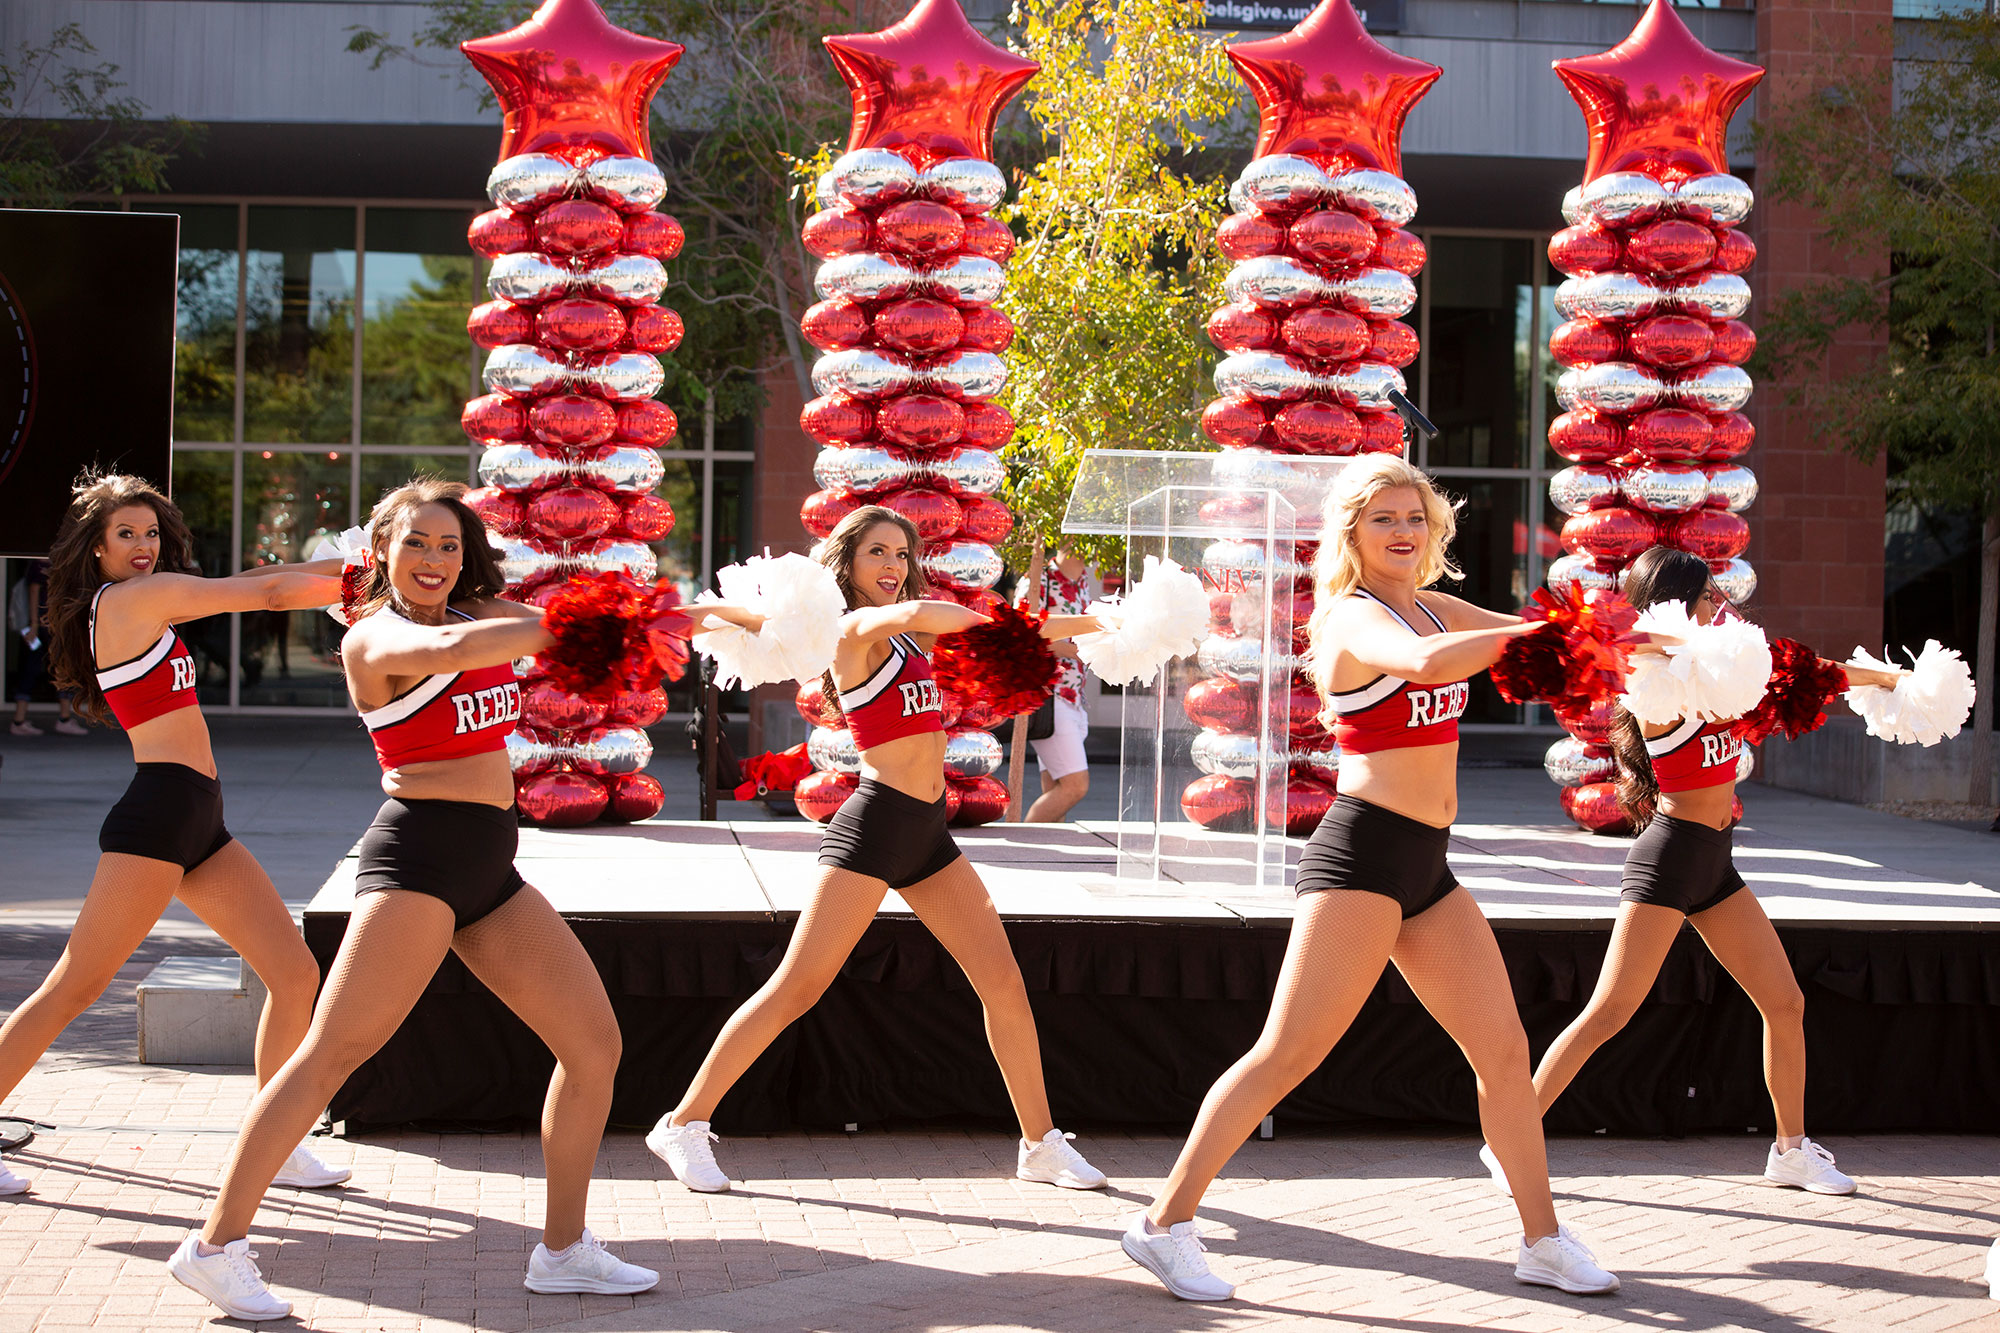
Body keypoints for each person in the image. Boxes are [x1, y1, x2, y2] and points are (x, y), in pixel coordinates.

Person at [1121, 454, 1620, 1302]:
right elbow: (1427, 666)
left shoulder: (1433, 605)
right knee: (1287, 1052)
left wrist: (1627, 637)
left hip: (1429, 866)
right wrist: (1545, 637)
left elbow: (1521, 634)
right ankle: (1163, 1224)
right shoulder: (1354, 618)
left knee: (1503, 1052)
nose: (1402, 531)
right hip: (1359, 857)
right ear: (1353, 531)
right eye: (1385, 517)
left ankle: (1541, 1238)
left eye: (1416, 518)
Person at [167, 478, 655, 1321]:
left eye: (449, 544)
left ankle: (563, 1250)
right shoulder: (376, 640)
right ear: (382, 553)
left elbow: (545, 624)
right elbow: (457, 659)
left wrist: (696, 619)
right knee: (330, 1054)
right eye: (417, 543)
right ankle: (212, 1246)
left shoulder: (474, 615)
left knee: (593, 1043)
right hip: (418, 859)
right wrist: (586, 623)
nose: (434, 559)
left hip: (489, 868)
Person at [647, 505, 1108, 1196]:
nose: (892, 565)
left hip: (926, 830)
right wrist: (977, 617)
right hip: (874, 825)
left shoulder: (910, 644)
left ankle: (1040, 1142)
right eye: (877, 553)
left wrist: (1114, 627)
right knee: (797, 986)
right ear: (849, 563)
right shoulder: (852, 631)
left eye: (901, 553)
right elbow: (916, 612)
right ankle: (683, 1122)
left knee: (1003, 982)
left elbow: (1029, 633)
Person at [1487, 545, 1902, 1201]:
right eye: (1708, 596)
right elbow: (1619, 633)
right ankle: (1511, 1134)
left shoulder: (1726, 677)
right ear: (1678, 604)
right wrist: (1665, 617)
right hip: (1670, 857)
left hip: (1716, 863)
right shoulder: (1654, 679)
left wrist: (1883, 681)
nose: (1722, 606)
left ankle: (1791, 1150)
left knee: (1785, 1001)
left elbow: (1811, 674)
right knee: (1610, 1010)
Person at [0, 474, 348, 1197]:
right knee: (76, 984)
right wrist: (371, 575)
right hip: (158, 816)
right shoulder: (129, 600)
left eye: (151, 533)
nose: (142, 545)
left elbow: (251, 580)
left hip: (199, 820)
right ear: (96, 547)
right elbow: (270, 597)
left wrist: (362, 562)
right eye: (125, 533)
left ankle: (275, 1144)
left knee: (293, 974)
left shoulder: (154, 597)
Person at [1019, 550, 1094, 823]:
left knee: (1056, 789)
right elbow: (1015, 634)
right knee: (1075, 786)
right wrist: (1065, 649)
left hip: (1074, 697)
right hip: (1049, 695)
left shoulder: (1084, 580)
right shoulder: (1040, 578)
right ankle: (1023, 844)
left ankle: (1043, 855)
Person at [9, 560, 86, 735]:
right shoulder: (41, 564)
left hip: (50, 623)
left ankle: (23, 720)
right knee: (57, 668)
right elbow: (34, 591)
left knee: (48, 668)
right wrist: (35, 623)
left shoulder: (54, 561)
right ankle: (61, 719)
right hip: (46, 625)